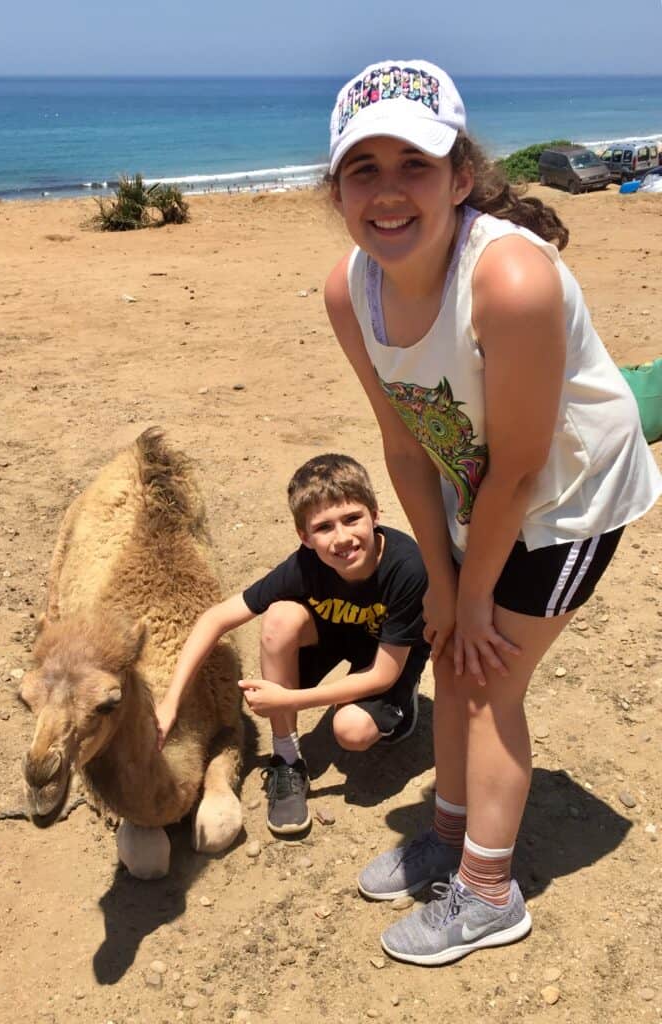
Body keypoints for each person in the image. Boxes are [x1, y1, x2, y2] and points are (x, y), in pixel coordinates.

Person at [323, 58, 662, 966]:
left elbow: (518, 467)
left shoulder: (509, 281)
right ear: (336, 189)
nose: (388, 193)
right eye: (364, 169)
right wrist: (439, 582)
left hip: (569, 499)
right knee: (449, 656)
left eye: (415, 165)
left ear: (461, 177)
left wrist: (472, 597)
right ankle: (447, 830)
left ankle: (487, 893)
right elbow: (404, 445)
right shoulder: (347, 289)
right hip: (479, 489)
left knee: (488, 682)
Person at [156, 453, 430, 836]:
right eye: (324, 527)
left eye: (353, 518)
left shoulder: (407, 566)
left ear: (374, 514)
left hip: (388, 652)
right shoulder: (306, 565)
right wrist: (169, 703)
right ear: (305, 536)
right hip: (338, 632)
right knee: (280, 617)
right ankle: (287, 759)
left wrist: (288, 700)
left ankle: (404, 708)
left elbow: (383, 674)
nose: (343, 538)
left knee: (351, 731)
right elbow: (216, 618)